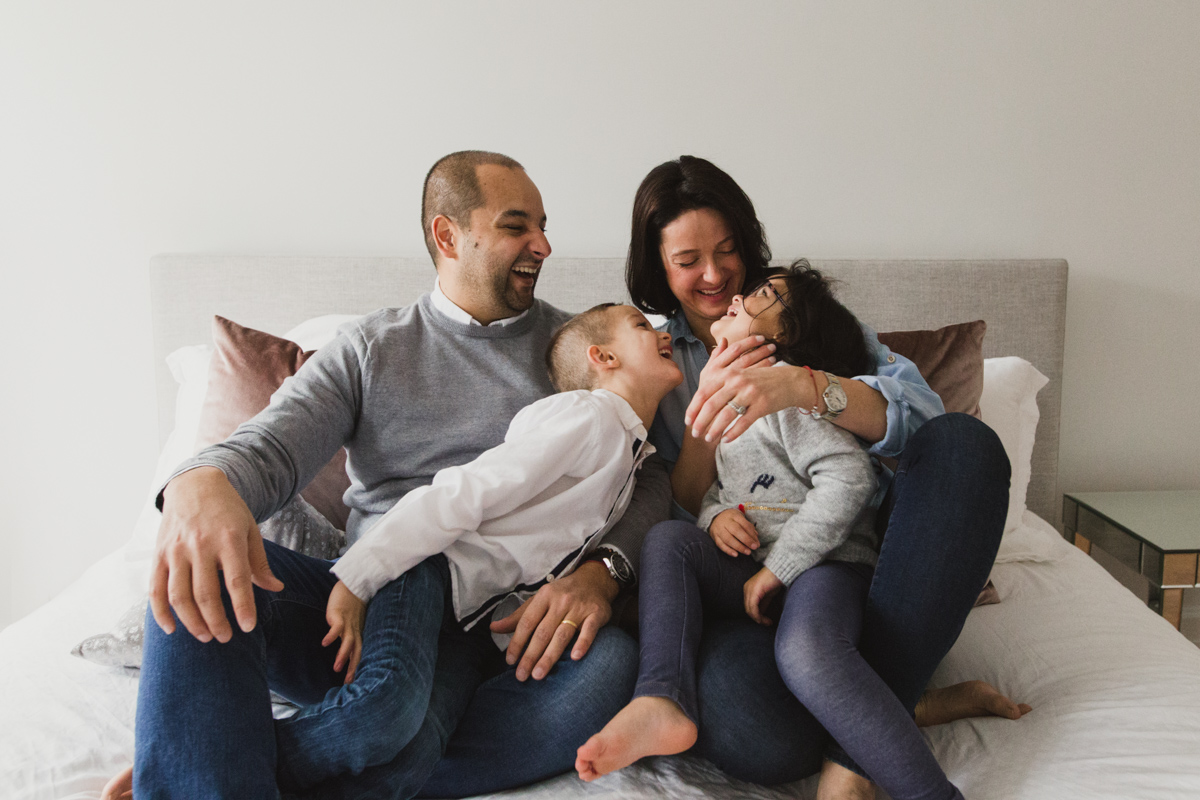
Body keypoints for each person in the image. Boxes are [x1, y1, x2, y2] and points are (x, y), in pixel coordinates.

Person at [111, 152, 669, 800]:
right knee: (197, 564)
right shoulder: (372, 346)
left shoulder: (575, 349)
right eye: (517, 226)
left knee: (608, 666)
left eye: (542, 225)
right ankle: (272, 762)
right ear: (448, 235)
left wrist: (604, 574)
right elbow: (273, 446)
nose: (543, 245)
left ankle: (216, 761)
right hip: (366, 605)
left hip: (494, 632)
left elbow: (646, 474)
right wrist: (201, 482)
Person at [611, 155, 1027, 799]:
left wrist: (805, 385)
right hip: (749, 578)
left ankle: (855, 765)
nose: (717, 275)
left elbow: (921, 424)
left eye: (727, 252)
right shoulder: (655, 359)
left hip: (860, 570)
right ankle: (900, 703)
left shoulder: (798, 316)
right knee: (747, 728)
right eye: (688, 259)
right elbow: (669, 503)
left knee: (965, 447)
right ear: (659, 267)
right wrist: (711, 407)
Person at [579, 266, 968, 800]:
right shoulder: (726, 402)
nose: (735, 294)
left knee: (808, 653)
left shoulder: (788, 396)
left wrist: (780, 566)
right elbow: (731, 490)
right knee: (667, 542)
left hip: (824, 567)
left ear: (783, 338)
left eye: (762, 295)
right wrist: (716, 516)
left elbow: (850, 479)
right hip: (754, 567)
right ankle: (661, 697)